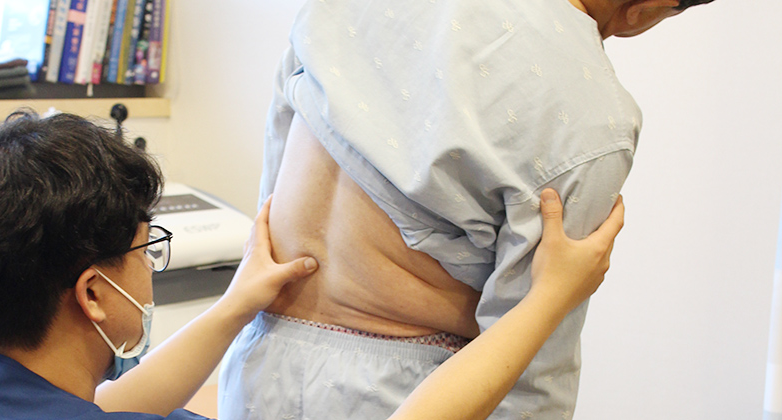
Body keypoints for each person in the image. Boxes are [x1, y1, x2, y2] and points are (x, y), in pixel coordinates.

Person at [0, 110, 623, 420]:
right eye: (147, 249)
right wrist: (546, 300)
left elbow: (109, 405)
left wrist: (235, 304)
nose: (150, 267)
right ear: (93, 293)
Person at [220, 0, 713, 419]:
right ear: (648, 9)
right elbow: (531, 363)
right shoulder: (593, 113)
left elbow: (277, 158)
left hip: (256, 362)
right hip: (413, 393)